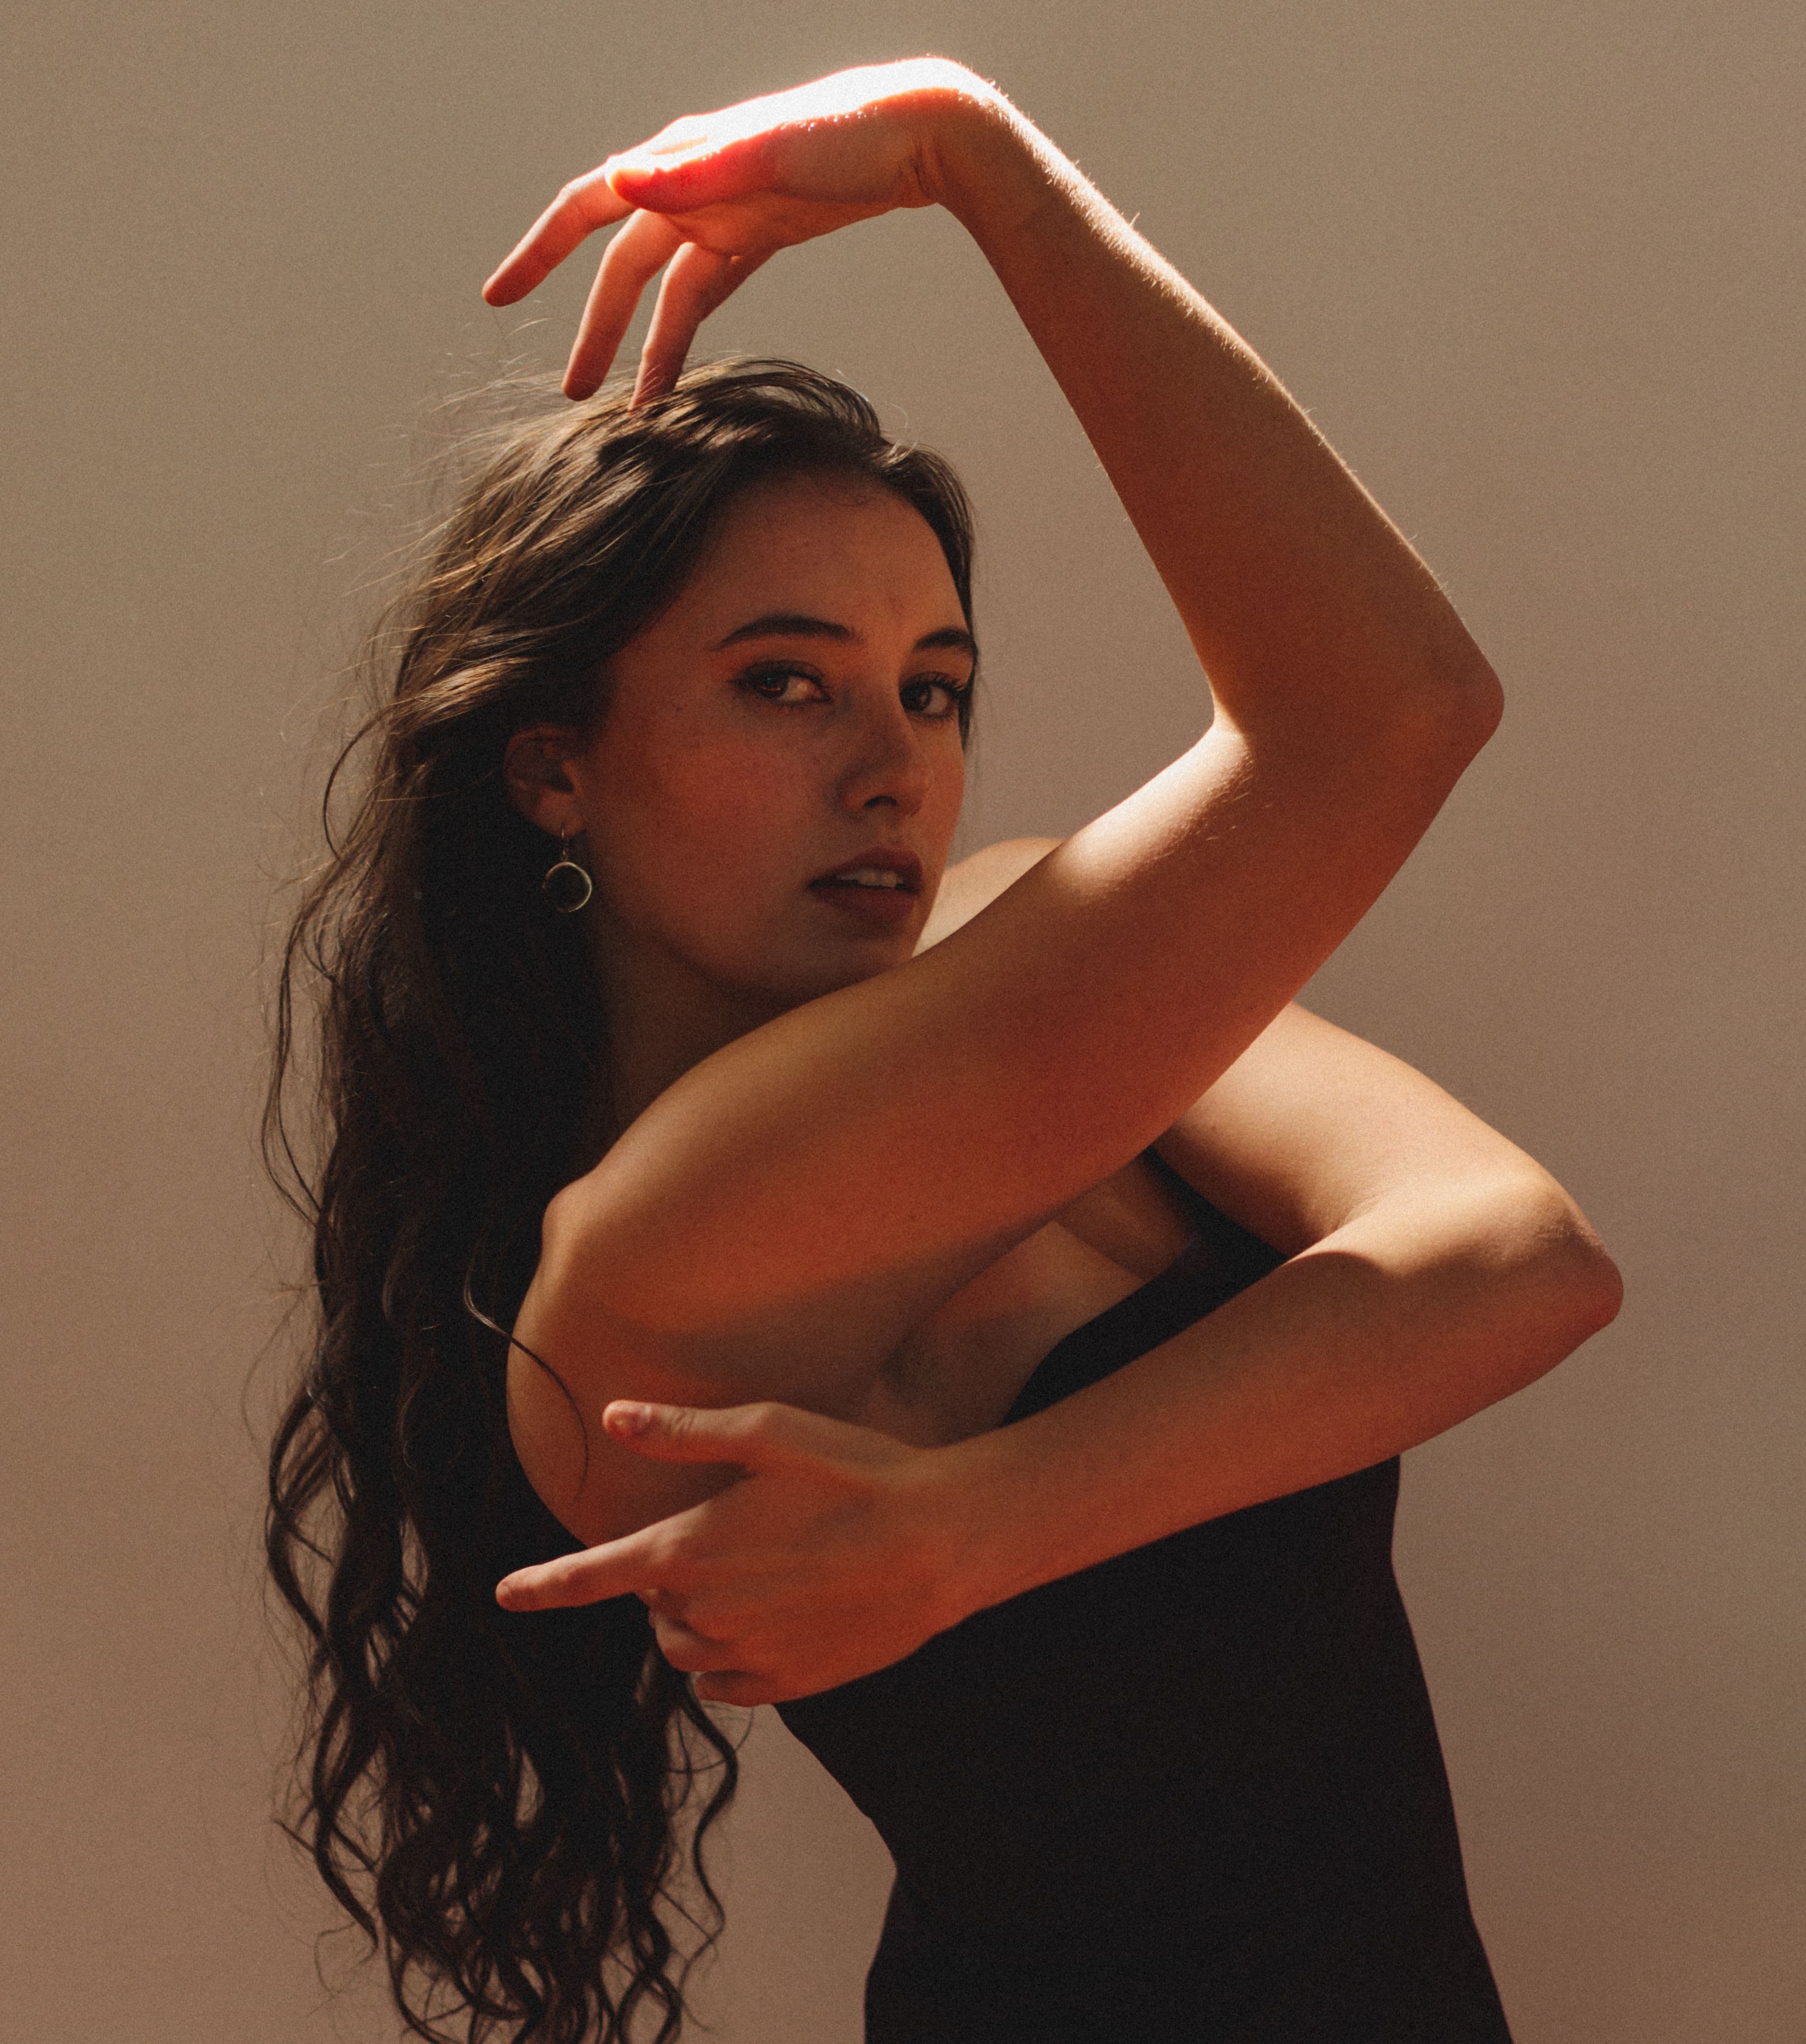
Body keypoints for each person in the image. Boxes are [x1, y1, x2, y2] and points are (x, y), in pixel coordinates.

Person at [265, 58, 1621, 2044]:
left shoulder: (1021, 937)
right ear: (557, 769)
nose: (894, 762)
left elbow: (1526, 1262)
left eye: (936, 684)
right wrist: (963, 152)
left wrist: (987, 1525)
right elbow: (1384, 712)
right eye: (786, 683)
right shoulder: (645, 1263)